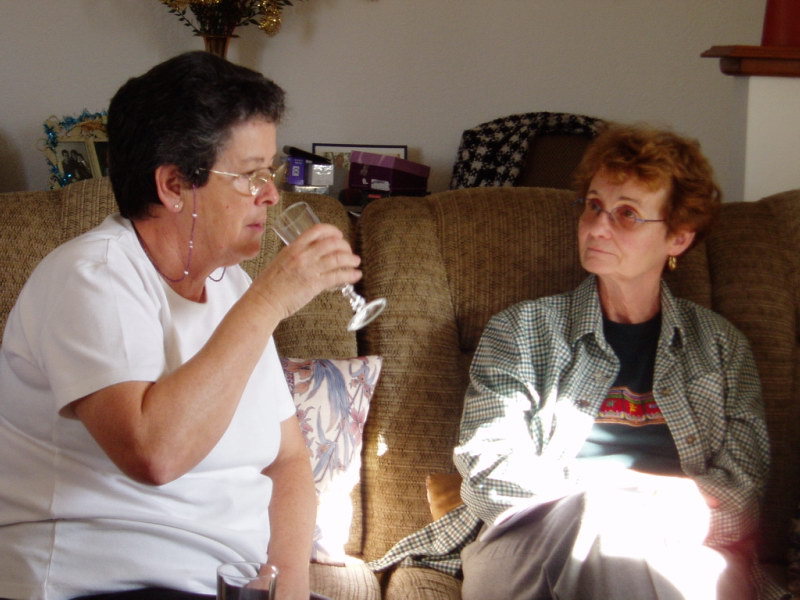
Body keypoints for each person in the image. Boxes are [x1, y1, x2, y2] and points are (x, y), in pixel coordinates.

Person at [0, 51, 361, 600]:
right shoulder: (92, 276)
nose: (271, 194)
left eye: (270, 172)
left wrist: (287, 590)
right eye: (250, 176)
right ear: (172, 185)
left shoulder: (230, 285)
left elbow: (287, 461)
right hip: (101, 582)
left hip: (225, 584)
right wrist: (271, 300)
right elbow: (155, 455)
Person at [369, 124, 781, 599]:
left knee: (633, 548)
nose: (598, 227)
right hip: (530, 547)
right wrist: (626, 494)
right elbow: (490, 476)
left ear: (678, 238)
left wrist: (639, 514)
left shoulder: (720, 348)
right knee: (599, 521)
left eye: (627, 214)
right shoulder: (521, 332)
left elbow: (741, 500)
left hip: (681, 548)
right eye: (594, 205)